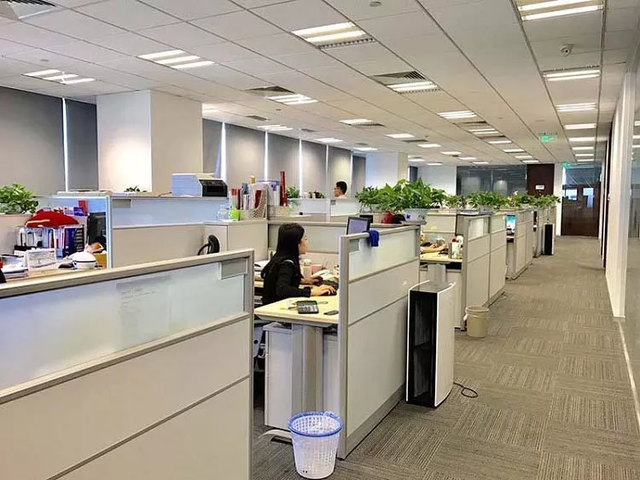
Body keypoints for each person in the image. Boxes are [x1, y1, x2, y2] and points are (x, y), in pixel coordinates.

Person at [261, 223, 335, 305]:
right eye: (305, 239)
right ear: (296, 244)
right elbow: (282, 289)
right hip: (273, 308)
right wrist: (311, 292)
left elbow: (279, 280)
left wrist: (302, 281)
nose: (307, 242)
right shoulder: (287, 263)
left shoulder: (280, 257)